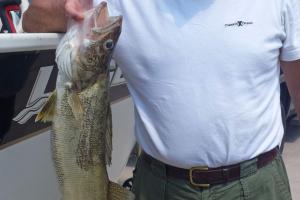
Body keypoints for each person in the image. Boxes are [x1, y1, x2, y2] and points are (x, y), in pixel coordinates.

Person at [24, 0, 300, 199]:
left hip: (257, 186)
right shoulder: (121, 5)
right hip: (161, 187)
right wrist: (69, 6)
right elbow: (32, 20)